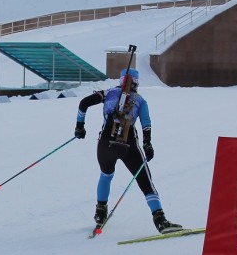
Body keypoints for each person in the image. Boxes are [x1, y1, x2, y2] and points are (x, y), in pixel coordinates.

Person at [74, 68, 182, 233]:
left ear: (121, 80)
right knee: (146, 182)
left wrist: (80, 127)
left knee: (106, 175)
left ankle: (100, 213)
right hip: (128, 145)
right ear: (137, 82)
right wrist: (147, 144)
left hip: (105, 144)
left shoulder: (108, 93)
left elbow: (84, 103)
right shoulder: (140, 100)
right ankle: (160, 220)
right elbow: (146, 124)